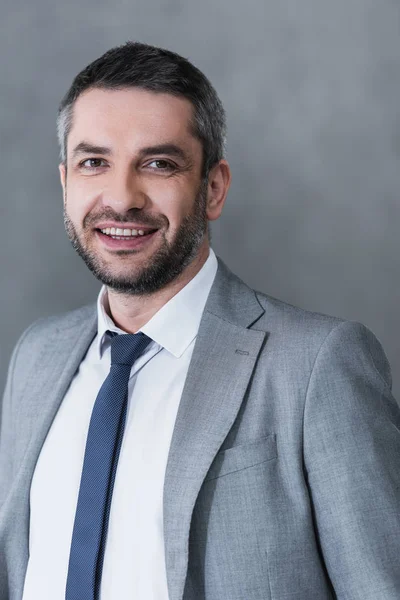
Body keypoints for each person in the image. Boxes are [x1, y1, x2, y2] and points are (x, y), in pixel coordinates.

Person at [0, 41, 399, 600]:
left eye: (158, 164)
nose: (122, 197)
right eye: (95, 162)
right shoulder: (35, 357)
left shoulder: (317, 366)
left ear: (213, 188)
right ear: (66, 182)